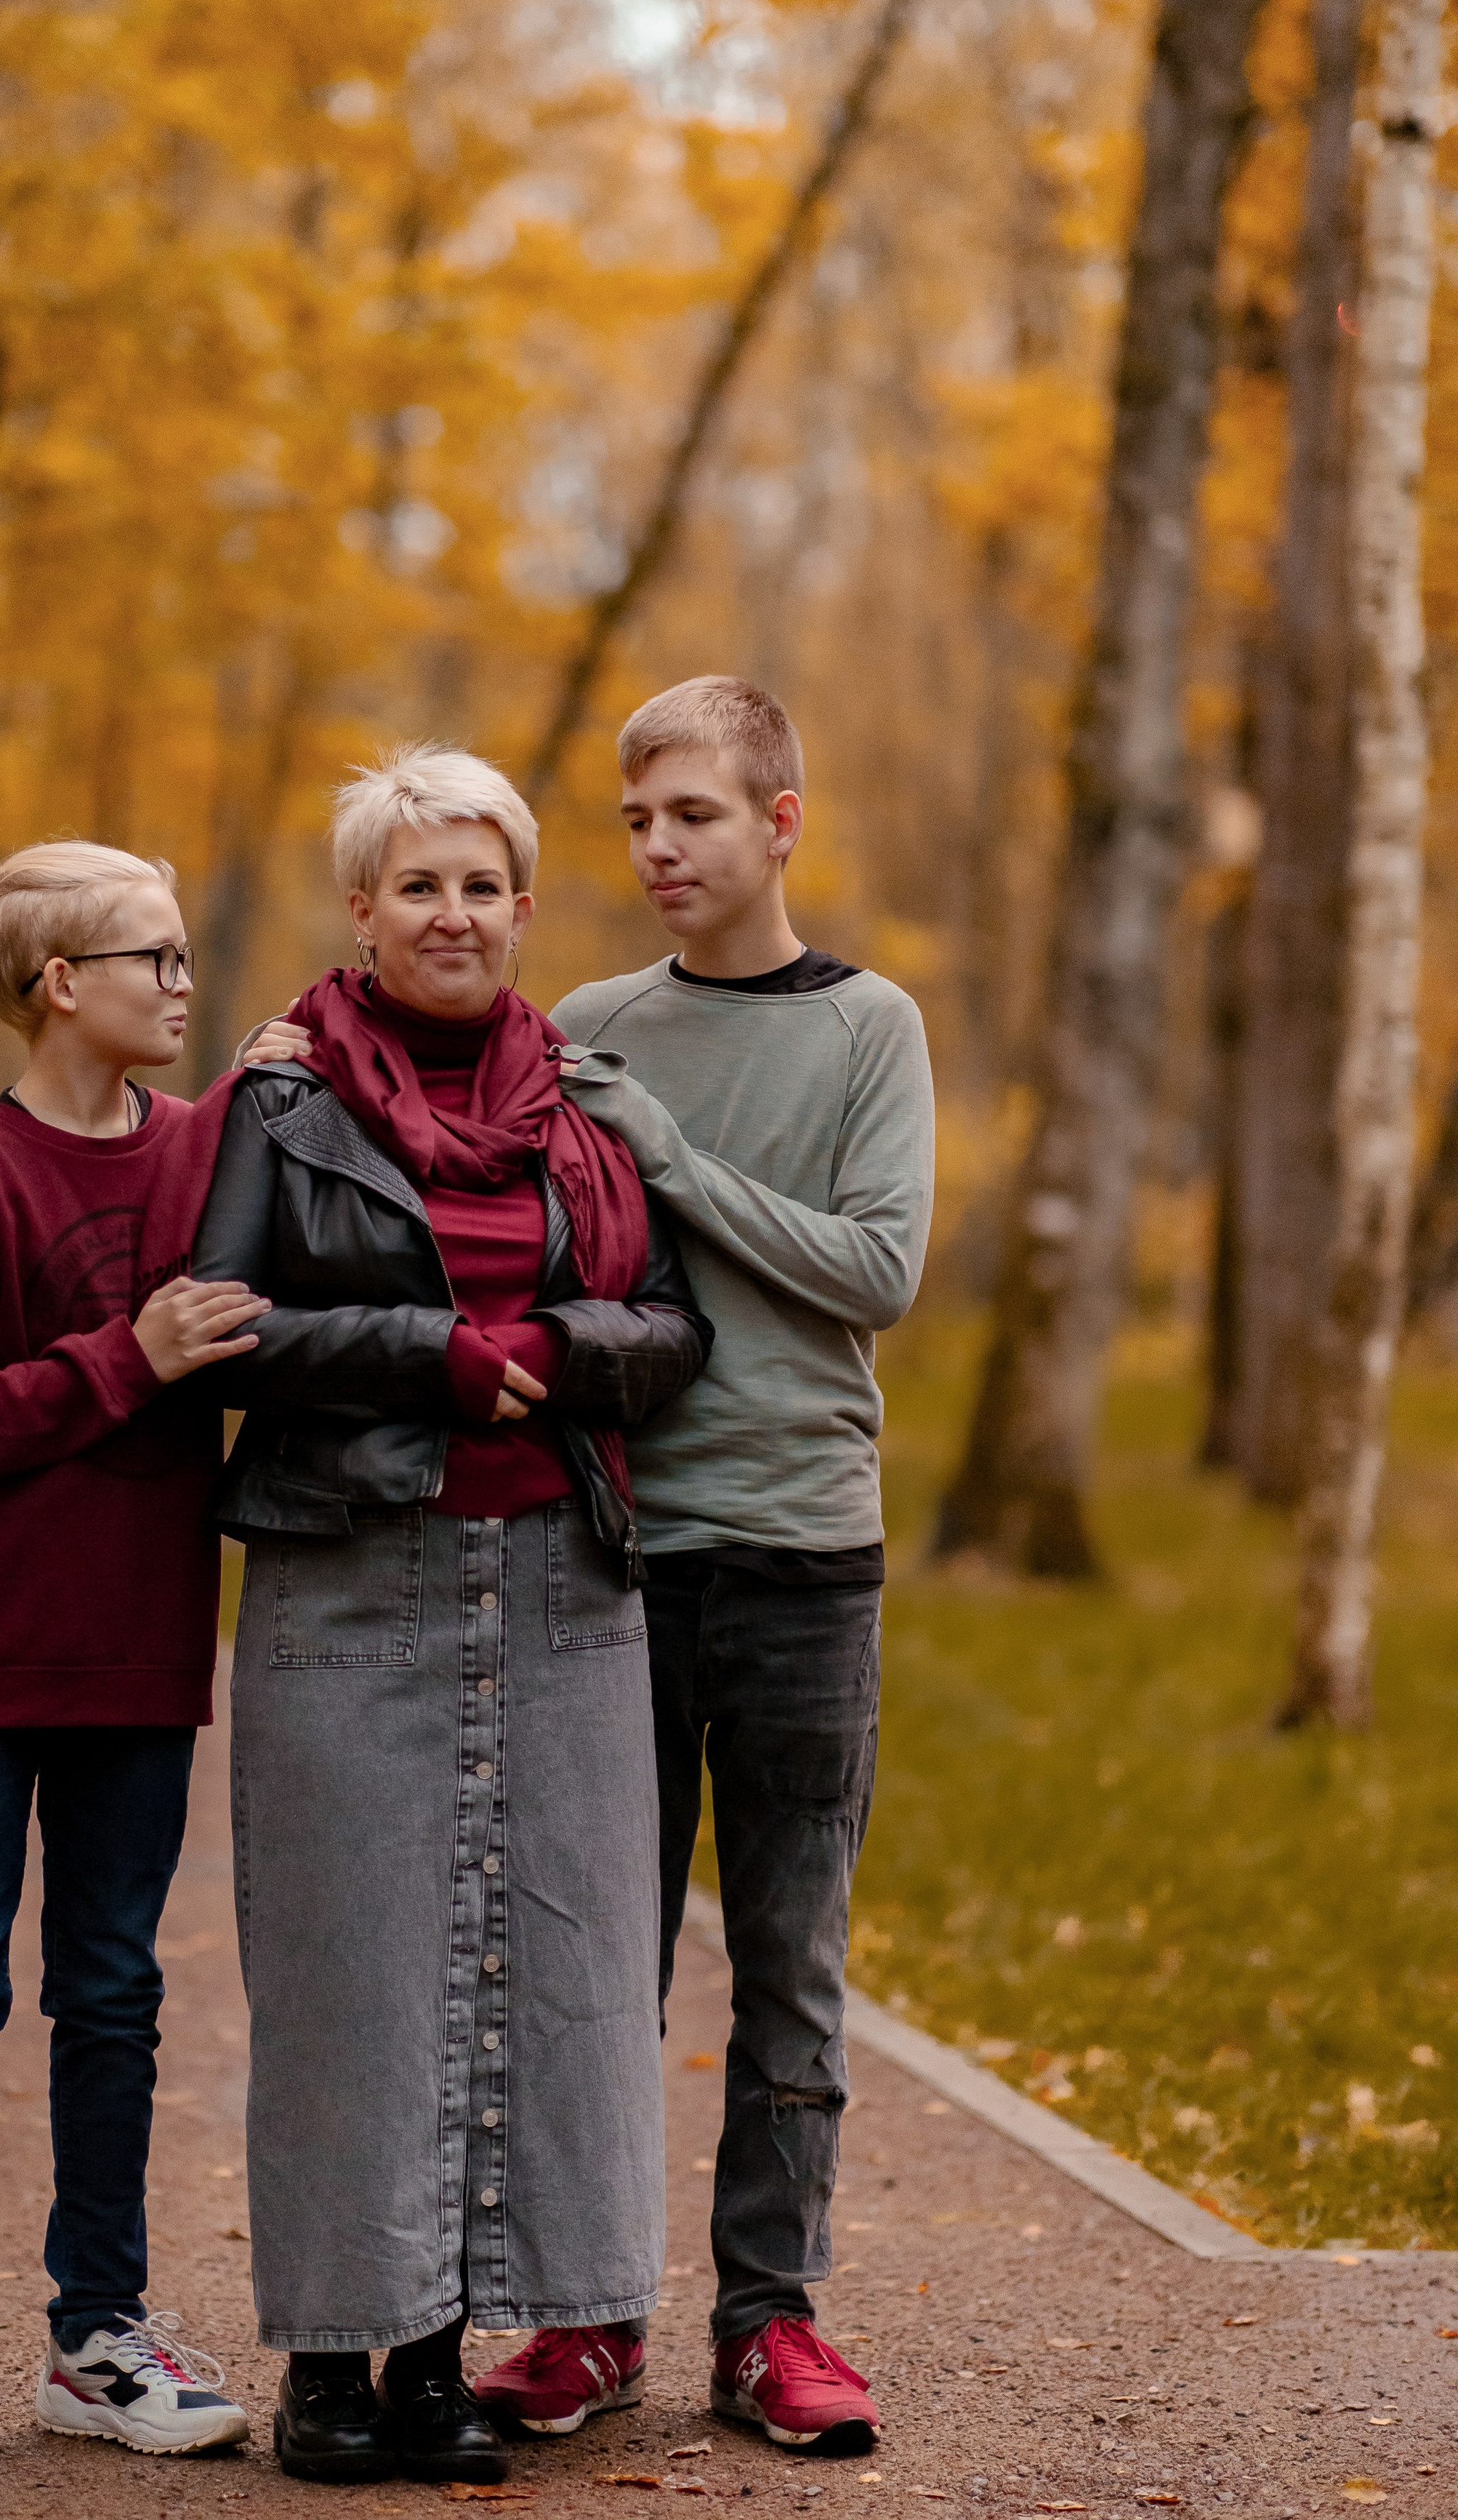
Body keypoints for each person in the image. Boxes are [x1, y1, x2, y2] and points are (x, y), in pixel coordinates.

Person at [204, 742, 711, 2488]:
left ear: (521, 907)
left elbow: (671, 1325)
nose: (451, 913)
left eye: (480, 885)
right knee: (351, 1975)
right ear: (361, 910)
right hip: (351, 1573)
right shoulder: (279, 1104)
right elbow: (222, 1325)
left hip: (563, 1581)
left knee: (538, 1973)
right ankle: (325, 2372)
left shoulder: (584, 1105)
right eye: (416, 884)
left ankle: (435, 2366)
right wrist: (432, 1354)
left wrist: (559, 1346)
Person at [499, 677, 934, 2457]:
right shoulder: (586, 1024)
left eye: (691, 814)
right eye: (634, 820)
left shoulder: (867, 1028)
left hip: (804, 1556)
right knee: (596, 1965)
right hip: (615, 1555)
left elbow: (876, 1269)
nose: (659, 848)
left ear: (778, 820)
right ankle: (589, 2313)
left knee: (787, 1965)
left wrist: (668, 1159)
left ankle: (771, 2324)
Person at [0, 840, 267, 2475]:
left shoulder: (202, 1152)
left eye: (183, 952)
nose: (180, 980)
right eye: (153, 956)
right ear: (60, 984)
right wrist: (125, 1357)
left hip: (137, 1663)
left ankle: (97, 2337)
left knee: (114, 1999)